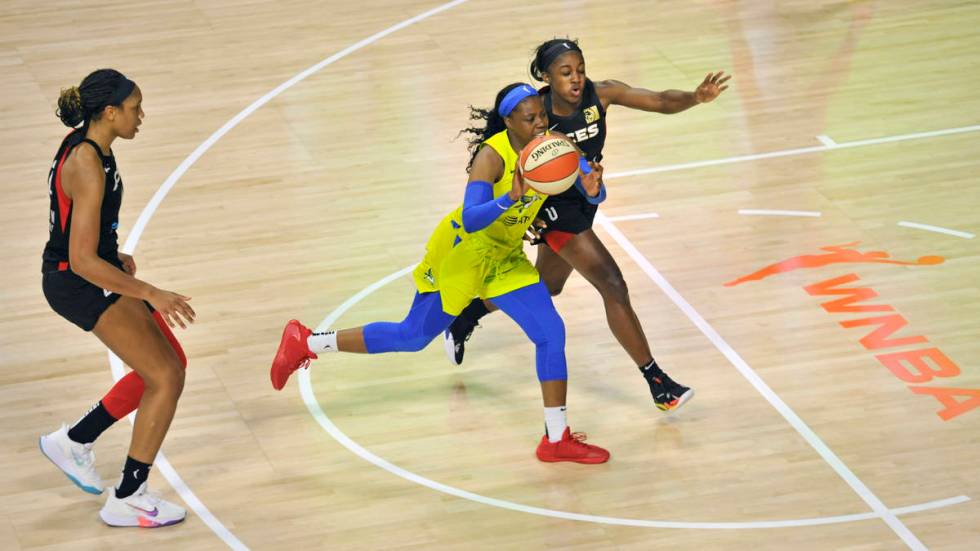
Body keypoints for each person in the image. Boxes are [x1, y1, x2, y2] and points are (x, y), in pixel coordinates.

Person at [271, 83, 609, 464]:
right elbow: (471, 216)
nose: (540, 123)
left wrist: (594, 189)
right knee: (412, 337)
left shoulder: (556, 145)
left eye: (542, 115)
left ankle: (556, 438)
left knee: (550, 332)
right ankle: (307, 342)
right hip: (462, 253)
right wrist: (510, 198)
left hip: (505, 257)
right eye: (530, 118)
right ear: (509, 121)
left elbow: (591, 188)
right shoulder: (491, 157)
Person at [445, 39, 730, 412]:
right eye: (566, 73)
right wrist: (522, 217)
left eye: (580, 70)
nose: (577, 79)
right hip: (552, 211)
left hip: (581, 197)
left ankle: (468, 314)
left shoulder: (601, 94)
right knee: (613, 284)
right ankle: (658, 382)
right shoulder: (536, 115)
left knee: (548, 285)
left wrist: (695, 97)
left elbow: (659, 101)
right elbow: (503, 159)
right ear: (545, 77)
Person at [37, 69, 194, 528]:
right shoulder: (86, 161)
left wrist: (114, 253)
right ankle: (128, 496)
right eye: (135, 107)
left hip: (88, 271)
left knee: (171, 364)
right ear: (109, 112)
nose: (141, 116)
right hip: (77, 281)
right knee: (164, 377)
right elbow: (81, 260)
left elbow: (78, 230)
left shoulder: (91, 145)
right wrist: (151, 293)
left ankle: (74, 441)